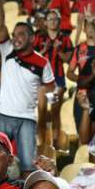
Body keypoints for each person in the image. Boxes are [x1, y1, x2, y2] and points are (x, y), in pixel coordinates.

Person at [0, 0, 55, 177]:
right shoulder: (7, 50)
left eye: (21, 34)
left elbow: (51, 89)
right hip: (2, 115)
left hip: (27, 119)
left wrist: (46, 107)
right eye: (14, 34)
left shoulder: (42, 63)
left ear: (32, 38)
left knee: (28, 167)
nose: (15, 37)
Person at [34, 9, 74, 147]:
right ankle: (42, 144)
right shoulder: (39, 38)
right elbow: (31, 58)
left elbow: (68, 59)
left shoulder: (65, 39)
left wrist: (59, 50)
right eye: (50, 19)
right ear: (45, 22)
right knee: (42, 112)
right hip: (42, 80)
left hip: (58, 79)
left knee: (55, 111)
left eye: (55, 19)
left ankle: (55, 145)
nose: (53, 22)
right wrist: (44, 50)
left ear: (59, 21)